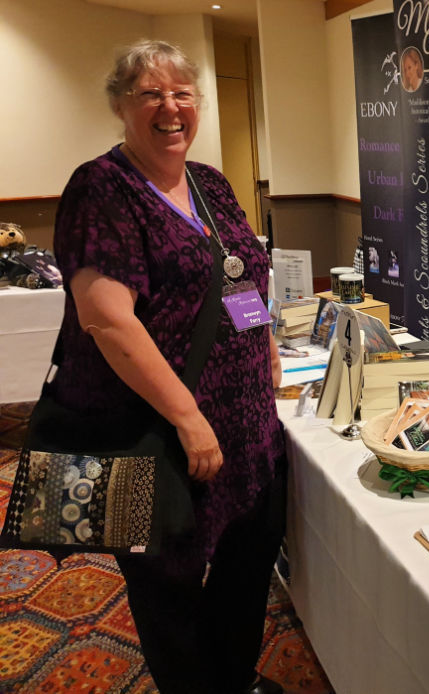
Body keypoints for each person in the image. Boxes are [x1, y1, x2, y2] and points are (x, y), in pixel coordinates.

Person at [50, 40, 287, 694]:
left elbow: (236, 272)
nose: (170, 107)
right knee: (171, 597)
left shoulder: (210, 183)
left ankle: (233, 681)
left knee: (244, 579)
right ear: (121, 106)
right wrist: (188, 418)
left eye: (182, 93)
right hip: (160, 442)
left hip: (247, 435)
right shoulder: (103, 189)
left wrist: (260, 337)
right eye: (150, 94)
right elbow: (107, 319)